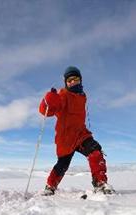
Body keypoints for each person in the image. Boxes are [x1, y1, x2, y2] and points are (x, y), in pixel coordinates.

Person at [39, 66, 114, 195]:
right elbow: (47, 111)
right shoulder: (62, 95)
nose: (73, 82)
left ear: (80, 80)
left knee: (95, 151)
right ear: (66, 83)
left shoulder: (82, 96)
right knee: (62, 165)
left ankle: (100, 184)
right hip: (66, 137)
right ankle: (50, 187)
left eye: (75, 79)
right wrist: (47, 101)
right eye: (69, 80)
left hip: (81, 134)